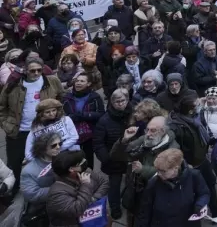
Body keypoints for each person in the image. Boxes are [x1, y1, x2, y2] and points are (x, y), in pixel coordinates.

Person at [0, 56, 63, 194]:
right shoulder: (13, 84)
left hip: (45, 129)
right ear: (25, 71)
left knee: (49, 158)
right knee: (14, 162)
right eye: (32, 71)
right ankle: (13, 190)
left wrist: (57, 118)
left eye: (39, 70)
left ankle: (53, 188)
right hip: (18, 130)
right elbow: (2, 105)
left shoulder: (51, 81)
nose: (36, 73)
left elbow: (61, 99)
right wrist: (5, 124)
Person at [111, 116, 178, 227]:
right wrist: (124, 140)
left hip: (155, 198)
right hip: (134, 192)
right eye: (147, 129)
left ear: (163, 131)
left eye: (152, 130)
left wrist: (143, 170)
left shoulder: (173, 148)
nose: (148, 134)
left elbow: (171, 174)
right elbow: (116, 156)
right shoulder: (144, 140)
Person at [168, 95, 217, 215]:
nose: (200, 106)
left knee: (211, 186)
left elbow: (206, 131)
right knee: (196, 192)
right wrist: (184, 164)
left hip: (203, 161)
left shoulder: (197, 117)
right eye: (197, 104)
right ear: (190, 110)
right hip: (191, 165)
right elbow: (175, 149)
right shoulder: (177, 126)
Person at [135, 148, 210, 227]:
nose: (159, 174)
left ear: (175, 168)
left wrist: (200, 205)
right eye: (157, 170)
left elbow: (204, 193)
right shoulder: (153, 184)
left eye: (163, 171)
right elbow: (144, 212)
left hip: (187, 223)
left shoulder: (194, 176)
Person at [93, 89, 131, 220]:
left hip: (132, 155)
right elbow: (98, 143)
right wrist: (106, 158)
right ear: (111, 102)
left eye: (123, 101)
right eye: (117, 101)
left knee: (133, 182)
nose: (120, 104)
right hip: (114, 158)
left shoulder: (133, 115)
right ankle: (115, 208)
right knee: (114, 185)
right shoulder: (104, 120)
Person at [45, 150, 109, 227]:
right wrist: (85, 185)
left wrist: (94, 198)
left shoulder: (86, 171)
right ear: (71, 169)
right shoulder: (56, 193)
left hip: (94, 220)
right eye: (81, 162)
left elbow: (104, 182)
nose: (85, 161)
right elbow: (77, 210)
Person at [61, 73, 105, 170]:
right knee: (72, 160)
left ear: (88, 83)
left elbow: (101, 114)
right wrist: (71, 117)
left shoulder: (94, 97)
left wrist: (84, 115)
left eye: (82, 81)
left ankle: (88, 180)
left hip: (89, 133)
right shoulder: (67, 97)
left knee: (88, 159)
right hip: (71, 133)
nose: (78, 83)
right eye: (77, 81)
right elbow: (62, 114)